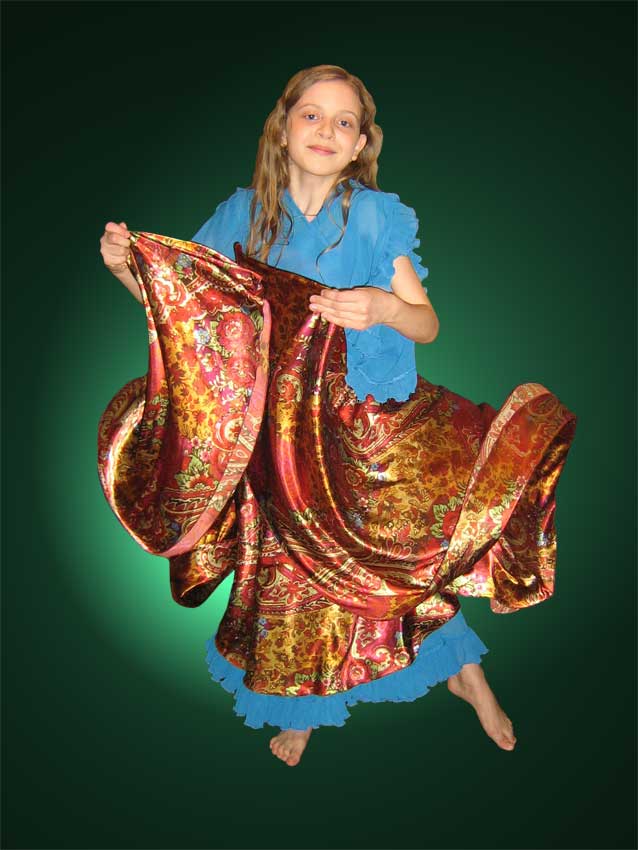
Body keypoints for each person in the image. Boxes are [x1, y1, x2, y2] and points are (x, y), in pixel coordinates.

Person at [100, 64, 519, 767]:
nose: (327, 130)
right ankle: (304, 710)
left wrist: (382, 306)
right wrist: (124, 266)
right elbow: (184, 310)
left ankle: (465, 672)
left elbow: (427, 323)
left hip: (363, 425)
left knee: (387, 563)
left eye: (344, 121)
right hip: (276, 430)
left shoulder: (376, 216)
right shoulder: (242, 215)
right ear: (283, 129)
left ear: (359, 145)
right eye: (312, 115)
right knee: (292, 574)